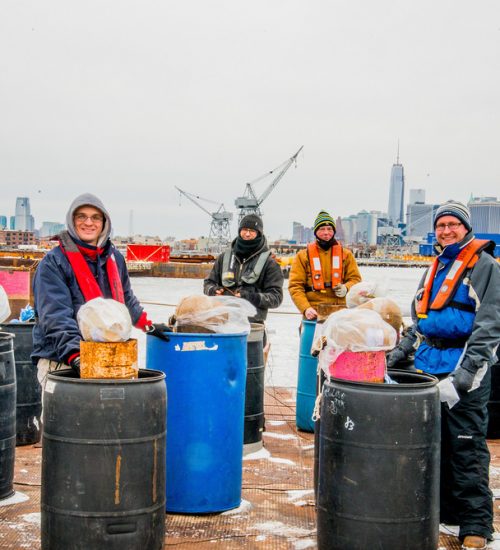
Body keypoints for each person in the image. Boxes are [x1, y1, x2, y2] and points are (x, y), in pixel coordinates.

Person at [387, 200, 500, 550]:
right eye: (440, 225)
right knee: (434, 446)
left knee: (466, 447)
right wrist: (396, 355)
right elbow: (420, 319)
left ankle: (476, 524)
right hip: (428, 369)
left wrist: (465, 377)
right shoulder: (435, 267)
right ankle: (444, 513)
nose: (446, 230)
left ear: (466, 228)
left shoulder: (484, 265)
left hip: (464, 372)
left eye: (453, 224)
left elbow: (490, 324)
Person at [32, 193, 170, 383]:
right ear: (72, 221)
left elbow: (125, 300)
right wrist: (76, 355)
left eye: (95, 217)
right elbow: (55, 316)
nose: (89, 223)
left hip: (107, 358)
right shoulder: (54, 262)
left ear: (104, 222)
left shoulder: (114, 258)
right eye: (81, 216)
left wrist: (147, 325)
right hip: (63, 362)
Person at [203, 214, 284, 324]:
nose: (247, 233)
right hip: (222, 322)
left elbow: (276, 297)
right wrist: (213, 290)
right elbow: (208, 283)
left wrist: (251, 297)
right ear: (239, 231)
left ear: (259, 233)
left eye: (252, 231)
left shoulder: (269, 263)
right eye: (244, 229)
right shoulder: (224, 258)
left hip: (252, 324)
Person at [288, 210, 362, 318]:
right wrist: (305, 308)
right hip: (313, 311)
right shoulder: (302, 256)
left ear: (334, 231)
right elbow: (295, 286)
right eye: (322, 229)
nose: (326, 232)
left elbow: (356, 280)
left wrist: (346, 288)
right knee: (312, 335)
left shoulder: (346, 254)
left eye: (329, 229)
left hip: (340, 311)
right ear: (315, 232)